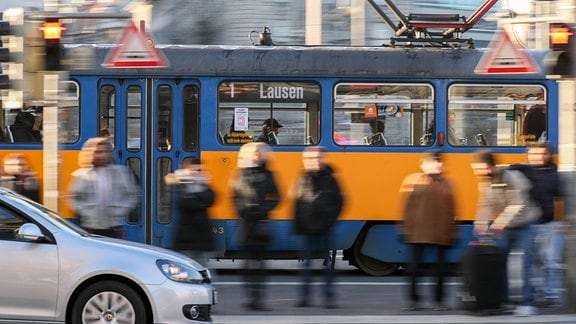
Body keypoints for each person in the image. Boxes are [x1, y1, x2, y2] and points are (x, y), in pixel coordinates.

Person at [471, 150, 540, 316]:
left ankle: (528, 302)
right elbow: (485, 204)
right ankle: (504, 300)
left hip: (525, 224)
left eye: (479, 168)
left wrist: (500, 223)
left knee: (526, 263)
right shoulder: (486, 182)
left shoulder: (513, 177)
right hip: (506, 227)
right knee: (499, 262)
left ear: (490, 166)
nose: (476, 172)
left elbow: (518, 204)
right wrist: (480, 222)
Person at [399, 150, 456, 311]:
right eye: (434, 161)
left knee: (440, 271)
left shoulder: (447, 183)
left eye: (440, 161)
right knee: (414, 269)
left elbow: (452, 210)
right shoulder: (413, 181)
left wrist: (451, 231)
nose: (438, 164)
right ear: (424, 164)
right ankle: (413, 300)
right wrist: (405, 229)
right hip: (418, 233)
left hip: (441, 233)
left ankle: (439, 301)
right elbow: (406, 209)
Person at [229, 142, 280, 311]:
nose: (257, 156)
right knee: (247, 265)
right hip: (246, 225)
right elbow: (234, 197)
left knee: (261, 265)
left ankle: (259, 298)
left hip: (262, 225)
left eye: (259, 153)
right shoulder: (241, 174)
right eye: (254, 153)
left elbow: (277, 197)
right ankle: (250, 297)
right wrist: (243, 211)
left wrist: (262, 210)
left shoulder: (269, 174)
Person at [292, 146, 344, 309]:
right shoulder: (303, 178)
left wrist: (328, 219)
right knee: (306, 266)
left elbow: (339, 202)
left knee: (327, 266)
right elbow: (297, 202)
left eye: (317, 158)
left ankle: (328, 298)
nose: (313, 161)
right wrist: (299, 224)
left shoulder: (330, 178)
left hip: (324, 228)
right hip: (307, 228)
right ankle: (304, 298)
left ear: (323, 159)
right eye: (309, 159)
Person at [68, 137, 139, 239]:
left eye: (104, 152)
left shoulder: (121, 172)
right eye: (97, 152)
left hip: (115, 228)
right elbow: (73, 197)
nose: (101, 155)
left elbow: (132, 195)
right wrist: (86, 212)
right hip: (90, 229)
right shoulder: (81, 175)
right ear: (91, 154)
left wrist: (119, 210)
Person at [526, 143, 565, 308]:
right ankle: (539, 294)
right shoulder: (525, 173)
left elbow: (560, 198)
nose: (539, 157)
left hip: (551, 224)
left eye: (543, 153)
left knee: (552, 262)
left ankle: (552, 295)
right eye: (534, 154)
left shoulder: (555, 172)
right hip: (532, 223)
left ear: (549, 155)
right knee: (535, 262)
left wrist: (559, 222)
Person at [165, 157, 216, 266]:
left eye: (199, 170)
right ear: (187, 170)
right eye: (194, 170)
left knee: (203, 270)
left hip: (201, 238)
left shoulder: (204, 185)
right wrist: (200, 201)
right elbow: (184, 204)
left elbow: (211, 199)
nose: (197, 173)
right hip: (186, 239)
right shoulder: (182, 186)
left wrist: (193, 197)